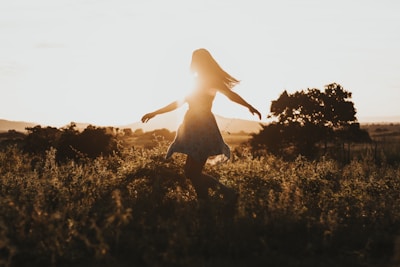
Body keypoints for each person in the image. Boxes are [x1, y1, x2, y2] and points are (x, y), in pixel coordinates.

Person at [141, 48, 261, 206]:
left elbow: (231, 96)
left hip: (203, 129)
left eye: (196, 60)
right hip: (193, 127)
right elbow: (178, 102)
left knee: (192, 172)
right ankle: (206, 203)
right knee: (191, 172)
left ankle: (226, 194)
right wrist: (155, 112)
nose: (193, 63)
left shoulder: (211, 81)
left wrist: (249, 106)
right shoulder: (196, 81)